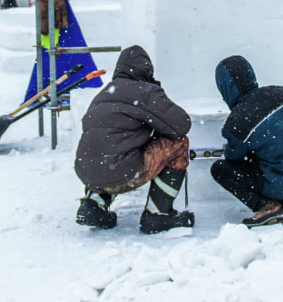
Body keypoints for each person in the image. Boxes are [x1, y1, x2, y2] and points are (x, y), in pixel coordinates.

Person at [73, 45, 194, 234]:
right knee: (179, 143)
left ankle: (93, 203)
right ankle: (158, 213)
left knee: (107, 150)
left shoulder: (104, 93)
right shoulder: (145, 92)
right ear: (147, 70)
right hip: (121, 170)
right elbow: (181, 124)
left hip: (86, 170)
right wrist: (155, 92)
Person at [211, 55, 283, 228]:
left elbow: (233, 158)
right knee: (276, 159)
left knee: (221, 169)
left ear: (225, 88)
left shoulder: (237, 123)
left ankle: (267, 207)